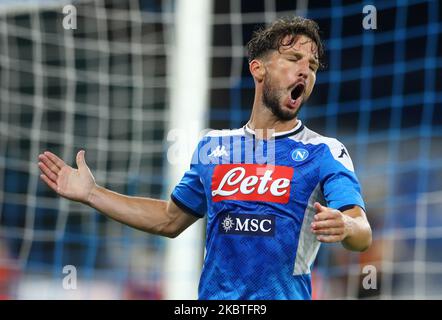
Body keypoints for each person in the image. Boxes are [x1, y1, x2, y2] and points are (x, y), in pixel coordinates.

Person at [38, 16, 372, 300]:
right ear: (258, 69)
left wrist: (346, 226)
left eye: (311, 66)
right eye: (292, 59)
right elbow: (169, 220)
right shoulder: (213, 147)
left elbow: (362, 232)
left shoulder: (324, 151)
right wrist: (93, 193)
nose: (304, 72)